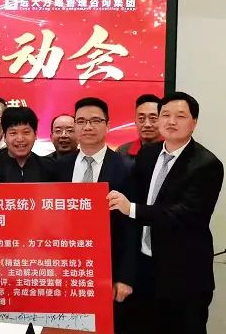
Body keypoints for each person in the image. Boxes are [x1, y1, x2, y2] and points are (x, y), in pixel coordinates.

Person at [107, 92, 224, 334]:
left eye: (180, 116)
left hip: (184, 275)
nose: (171, 121)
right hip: (145, 269)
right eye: (166, 115)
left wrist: (131, 209)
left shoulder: (206, 164)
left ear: (194, 122)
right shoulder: (148, 155)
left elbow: (186, 215)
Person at [52, 97, 133, 333]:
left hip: (108, 269)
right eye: (81, 121)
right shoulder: (58, 167)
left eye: (95, 121)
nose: (87, 127)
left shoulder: (126, 168)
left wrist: (125, 276)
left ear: (108, 125)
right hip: (65, 268)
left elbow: (132, 227)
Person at [0, 107, 54, 185]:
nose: (20, 139)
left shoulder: (50, 167)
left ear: (35, 135)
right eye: (13, 133)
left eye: (26, 132)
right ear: (4, 137)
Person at [116, 94, 162, 169]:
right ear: (135, 122)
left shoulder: (172, 151)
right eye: (141, 118)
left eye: (153, 118)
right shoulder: (122, 152)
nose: (147, 124)